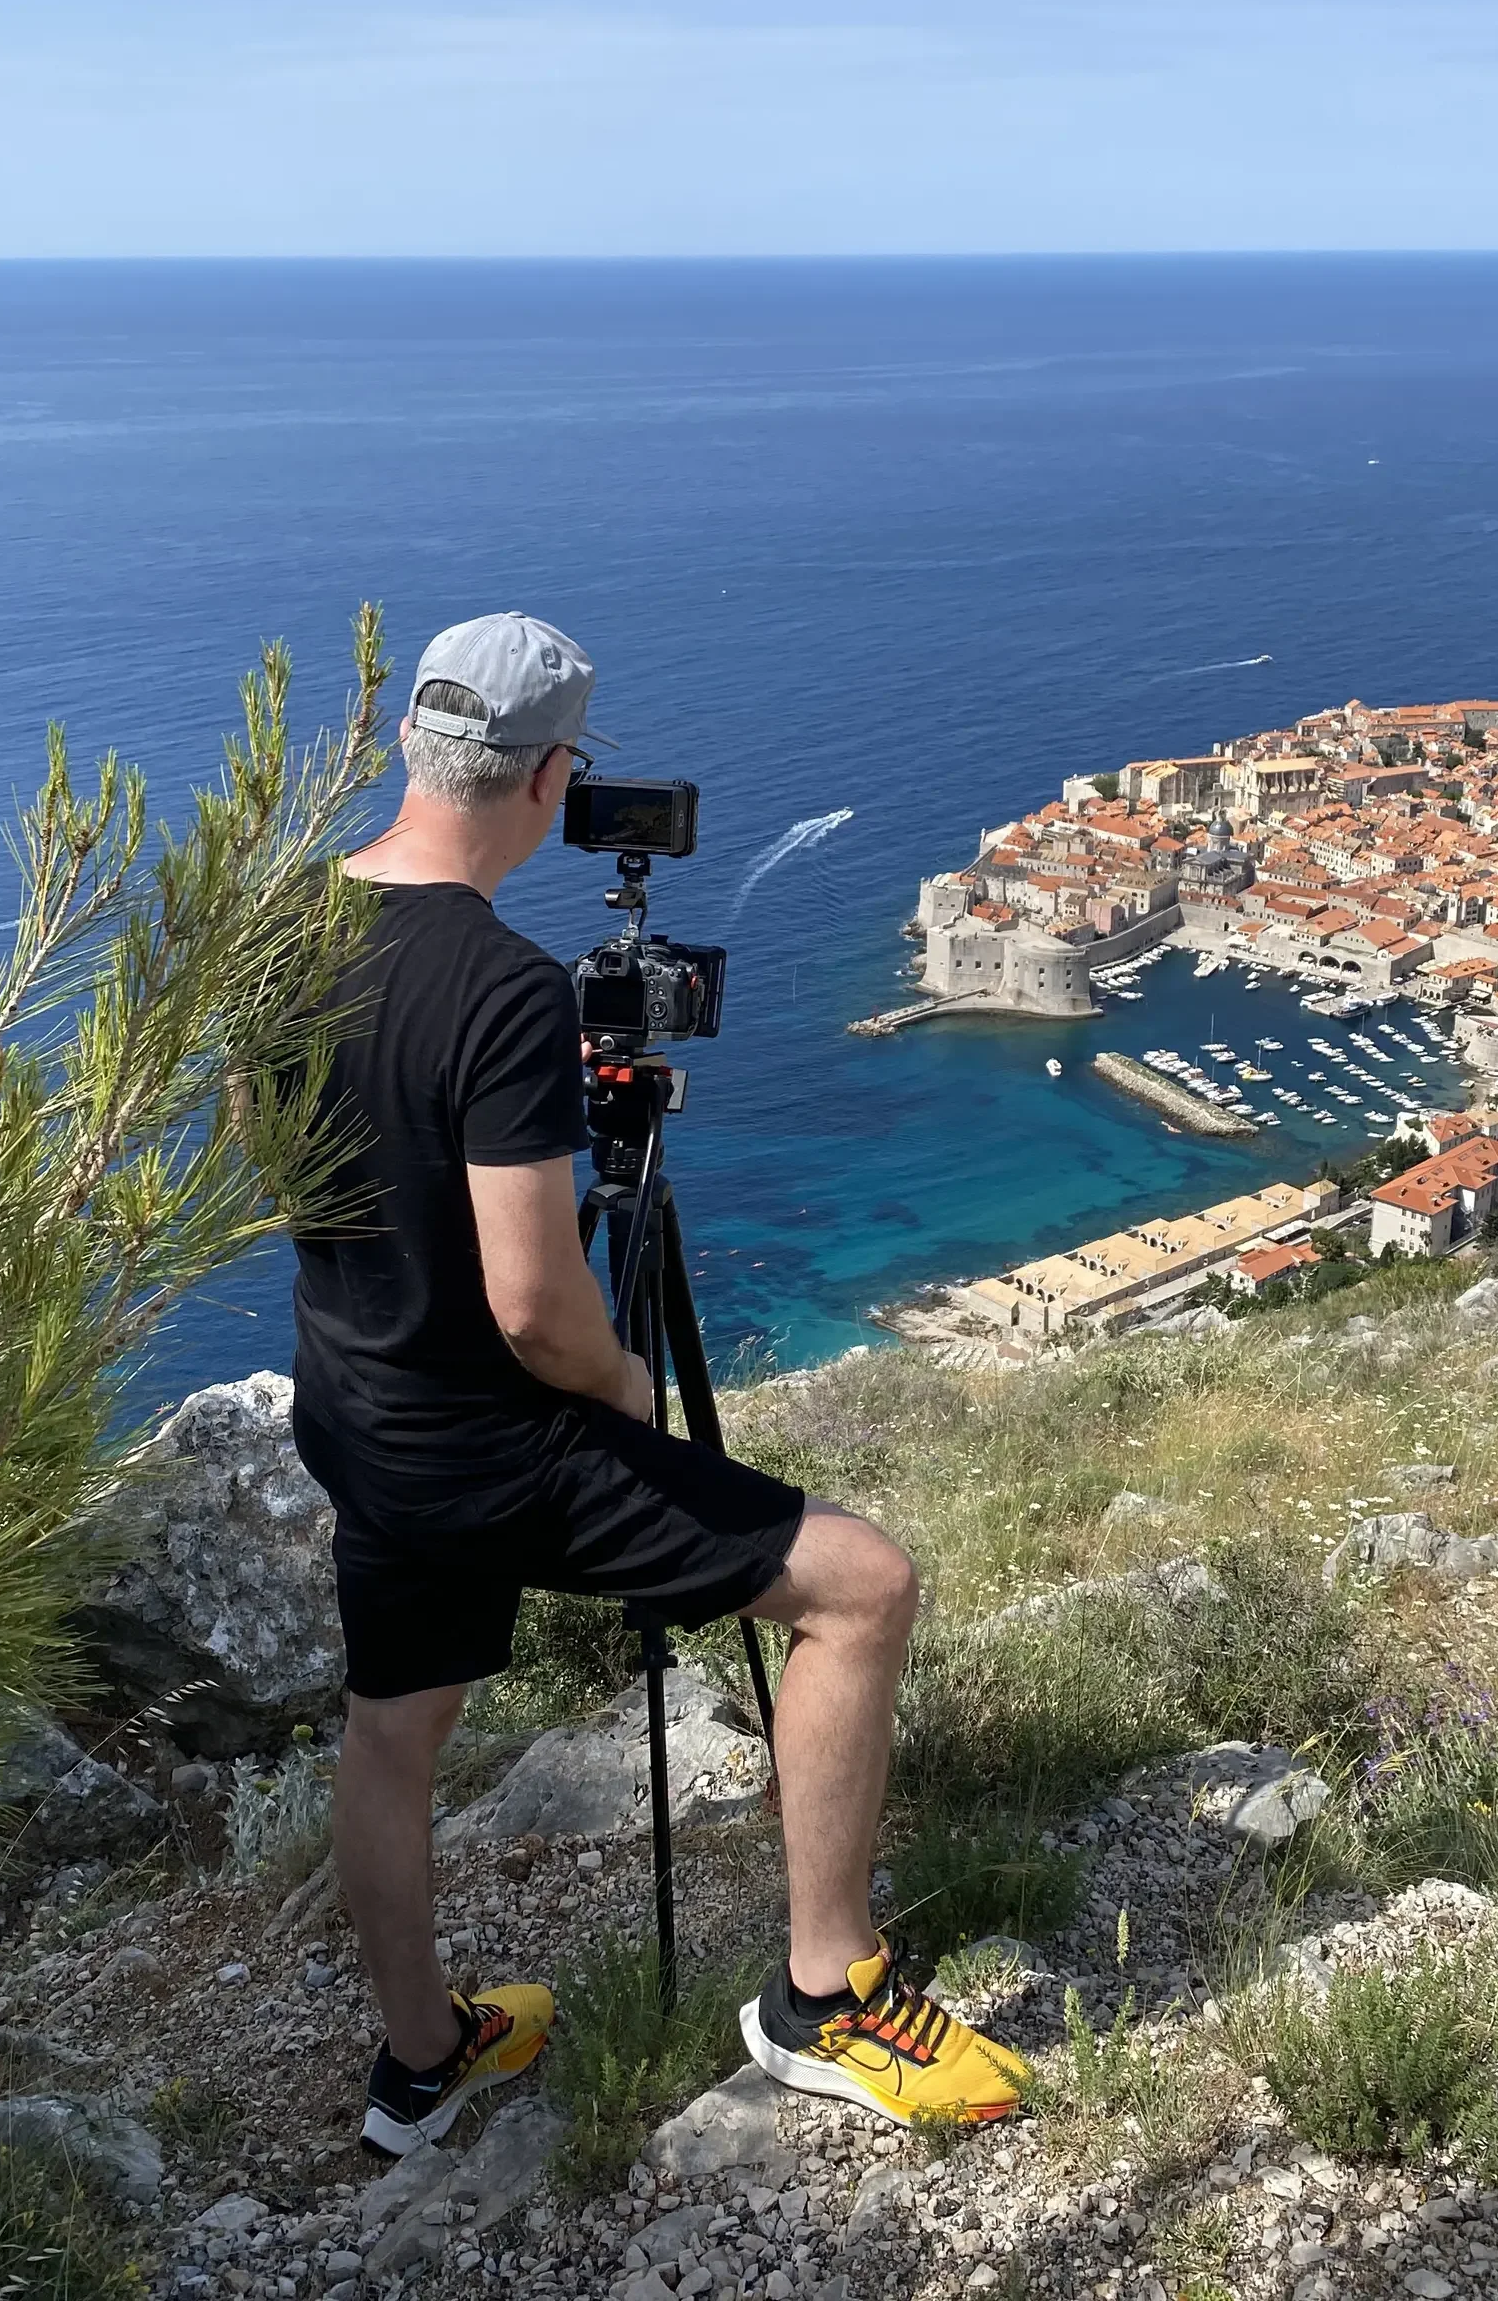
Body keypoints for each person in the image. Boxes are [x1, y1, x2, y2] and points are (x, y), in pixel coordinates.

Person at [288, 610, 1029, 2156]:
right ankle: (824, 1996)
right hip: (504, 1443)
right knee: (860, 1592)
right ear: (553, 778)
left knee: (390, 1729)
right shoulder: (497, 988)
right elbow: (534, 1299)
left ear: (405, 749)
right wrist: (621, 1383)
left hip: (360, 1414)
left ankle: (421, 2062)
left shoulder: (279, 937)